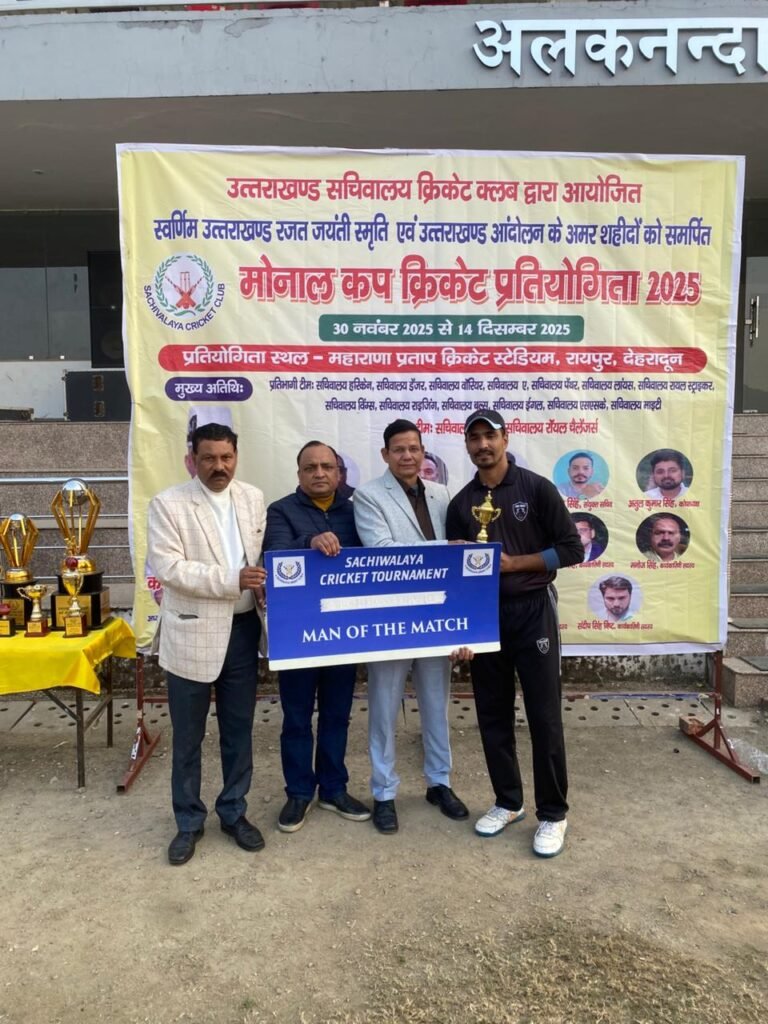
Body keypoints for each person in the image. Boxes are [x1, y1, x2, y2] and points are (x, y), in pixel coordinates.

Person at [446, 409, 583, 859]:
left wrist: (513, 563)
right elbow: (456, 576)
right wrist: (462, 630)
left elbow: (572, 549)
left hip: (533, 610)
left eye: (490, 436)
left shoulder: (535, 488)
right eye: (474, 438)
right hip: (485, 618)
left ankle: (553, 814)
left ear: (505, 438)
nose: (483, 445)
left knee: (544, 716)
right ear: (467, 446)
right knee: (492, 714)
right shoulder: (462, 503)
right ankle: (508, 802)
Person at [147, 422, 267, 866]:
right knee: (188, 737)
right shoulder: (168, 504)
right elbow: (170, 568)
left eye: (226, 457)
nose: (219, 466)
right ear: (192, 460)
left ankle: (233, 812)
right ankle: (188, 822)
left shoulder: (252, 498)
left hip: (243, 633)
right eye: (209, 458)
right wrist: (233, 579)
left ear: (236, 457)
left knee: (238, 731)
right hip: (191, 634)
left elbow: (261, 558)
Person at [353, 419, 469, 834]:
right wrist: (446, 548)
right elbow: (382, 551)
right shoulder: (367, 496)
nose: (407, 456)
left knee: (437, 704)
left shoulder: (442, 494)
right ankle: (384, 792)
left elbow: (459, 565)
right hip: (391, 617)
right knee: (384, 708)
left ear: (423, 453)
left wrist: (464, 626)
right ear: (385, 454)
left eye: (414, 448)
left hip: (437, 616)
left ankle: (440, 783)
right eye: (399, 449)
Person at [264, 441, 371, 833]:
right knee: (296, 717)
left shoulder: (358, 510)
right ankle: (298, 792)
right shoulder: (281, 510)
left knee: (337, 715)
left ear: (340, 473)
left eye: (327, 466)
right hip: (299, 633)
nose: (320, 473)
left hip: (343, 631)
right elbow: (274, 554)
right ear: (299, 474)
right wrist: (308, 542)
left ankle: (333, 788)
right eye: (311, 467)